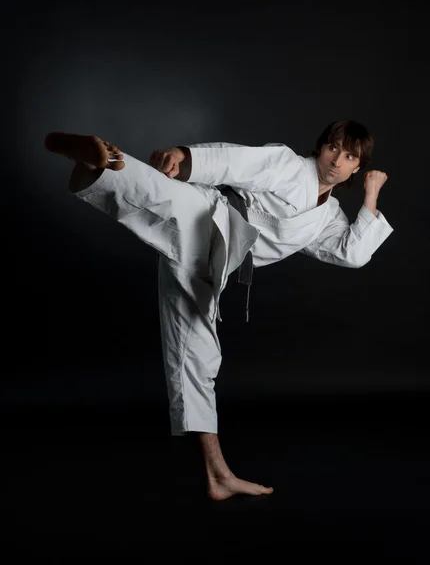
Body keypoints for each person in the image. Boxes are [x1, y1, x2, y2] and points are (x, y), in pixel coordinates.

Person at [44, 120, 393, 501]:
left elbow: (352, 253)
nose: (336, 161)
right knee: (166, 196)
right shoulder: (289, 165)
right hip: (213, 216)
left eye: (349, 157)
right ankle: (104, 163)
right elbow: (235, 161)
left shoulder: (327, 218)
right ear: (321, 147)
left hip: (214, 265)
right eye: (333, 149)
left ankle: (218, 476)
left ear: (356, 168)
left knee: (198, 358)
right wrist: (186, 157)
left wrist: (371, 194)